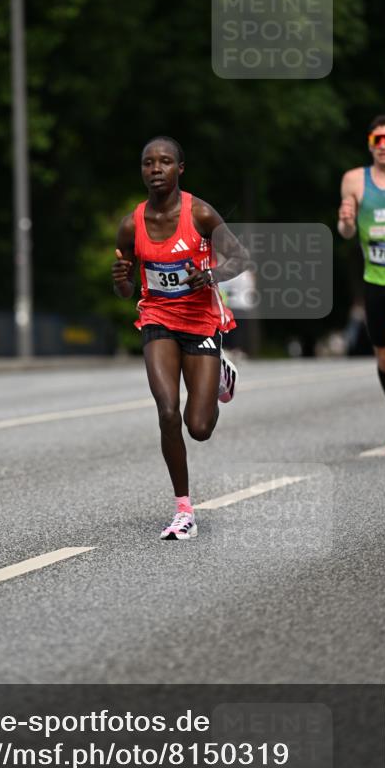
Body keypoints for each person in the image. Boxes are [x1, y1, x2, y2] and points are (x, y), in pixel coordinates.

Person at [112, 136, 248, 540]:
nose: (156, 169)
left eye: (165, 162)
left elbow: (240, 258)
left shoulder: (201, 213)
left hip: (202, 320)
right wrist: (122, 282)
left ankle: (222, 373)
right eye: (148, 163)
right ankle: (183, 511)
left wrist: (211, 275)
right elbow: (124, 288)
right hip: (158, 320)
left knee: (199, 426)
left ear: (180, 169)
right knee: (168, 412)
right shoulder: (130, 224)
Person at [338, 115, 385, 454]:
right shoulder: (354, 181)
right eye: (377, 140)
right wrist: (346, 221)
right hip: (376, 279)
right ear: (370, 145)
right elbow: (346, 233)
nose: (383, 146)